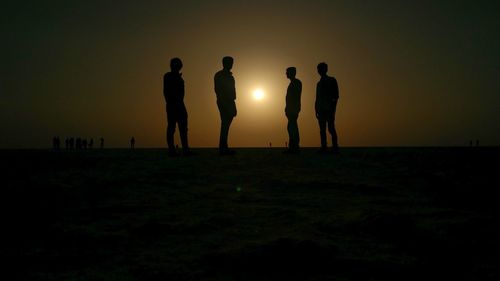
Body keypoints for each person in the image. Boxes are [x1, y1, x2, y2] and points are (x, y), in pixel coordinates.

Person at [163, 57, 191, 156]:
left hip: (180, 104)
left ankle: (185, 149)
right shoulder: (168, 76)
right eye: (175, 64)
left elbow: (182, 94)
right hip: (172, 105)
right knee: (172, 127)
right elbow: (166, 92)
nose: (177, 66)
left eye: (178, 65)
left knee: (183, 128)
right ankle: (171, 150)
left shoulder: (180, 78)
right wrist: (171, 103)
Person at [214, 56, 237, 155]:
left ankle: (224, 147)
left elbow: (233, 92)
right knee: (225, 125)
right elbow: (218, 90)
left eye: (232, 62)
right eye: (230, 62)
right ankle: (223, 148)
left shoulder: (230, 76)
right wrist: (224, 103)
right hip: (224, 102)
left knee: (226, 125)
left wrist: (233, 105)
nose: (231, 64)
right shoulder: (220, 75)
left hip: (230, 102)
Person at [315, 62, 339, 154]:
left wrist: (333, 108)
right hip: (321, 109)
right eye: (319, 69)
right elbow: (317, 97)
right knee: (322, 129)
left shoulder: (332, 80)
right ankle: (324, 147)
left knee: (331, 128)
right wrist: (316, 109)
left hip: (329, 108)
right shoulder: (318, 84)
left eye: (321, 69)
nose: (320, 71)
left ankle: (335, 147)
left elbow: (336, 95)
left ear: (326, 69)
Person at [284, 67, 302, 153]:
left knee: (292, 127)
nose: (286, 74)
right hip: (291, 109)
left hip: (293, 109)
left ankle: (294, 146)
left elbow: (295, 97)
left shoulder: (296, 83)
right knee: (291, 127)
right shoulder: (292, 83)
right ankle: (293, 146)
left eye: (287, 72)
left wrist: (293, 108)